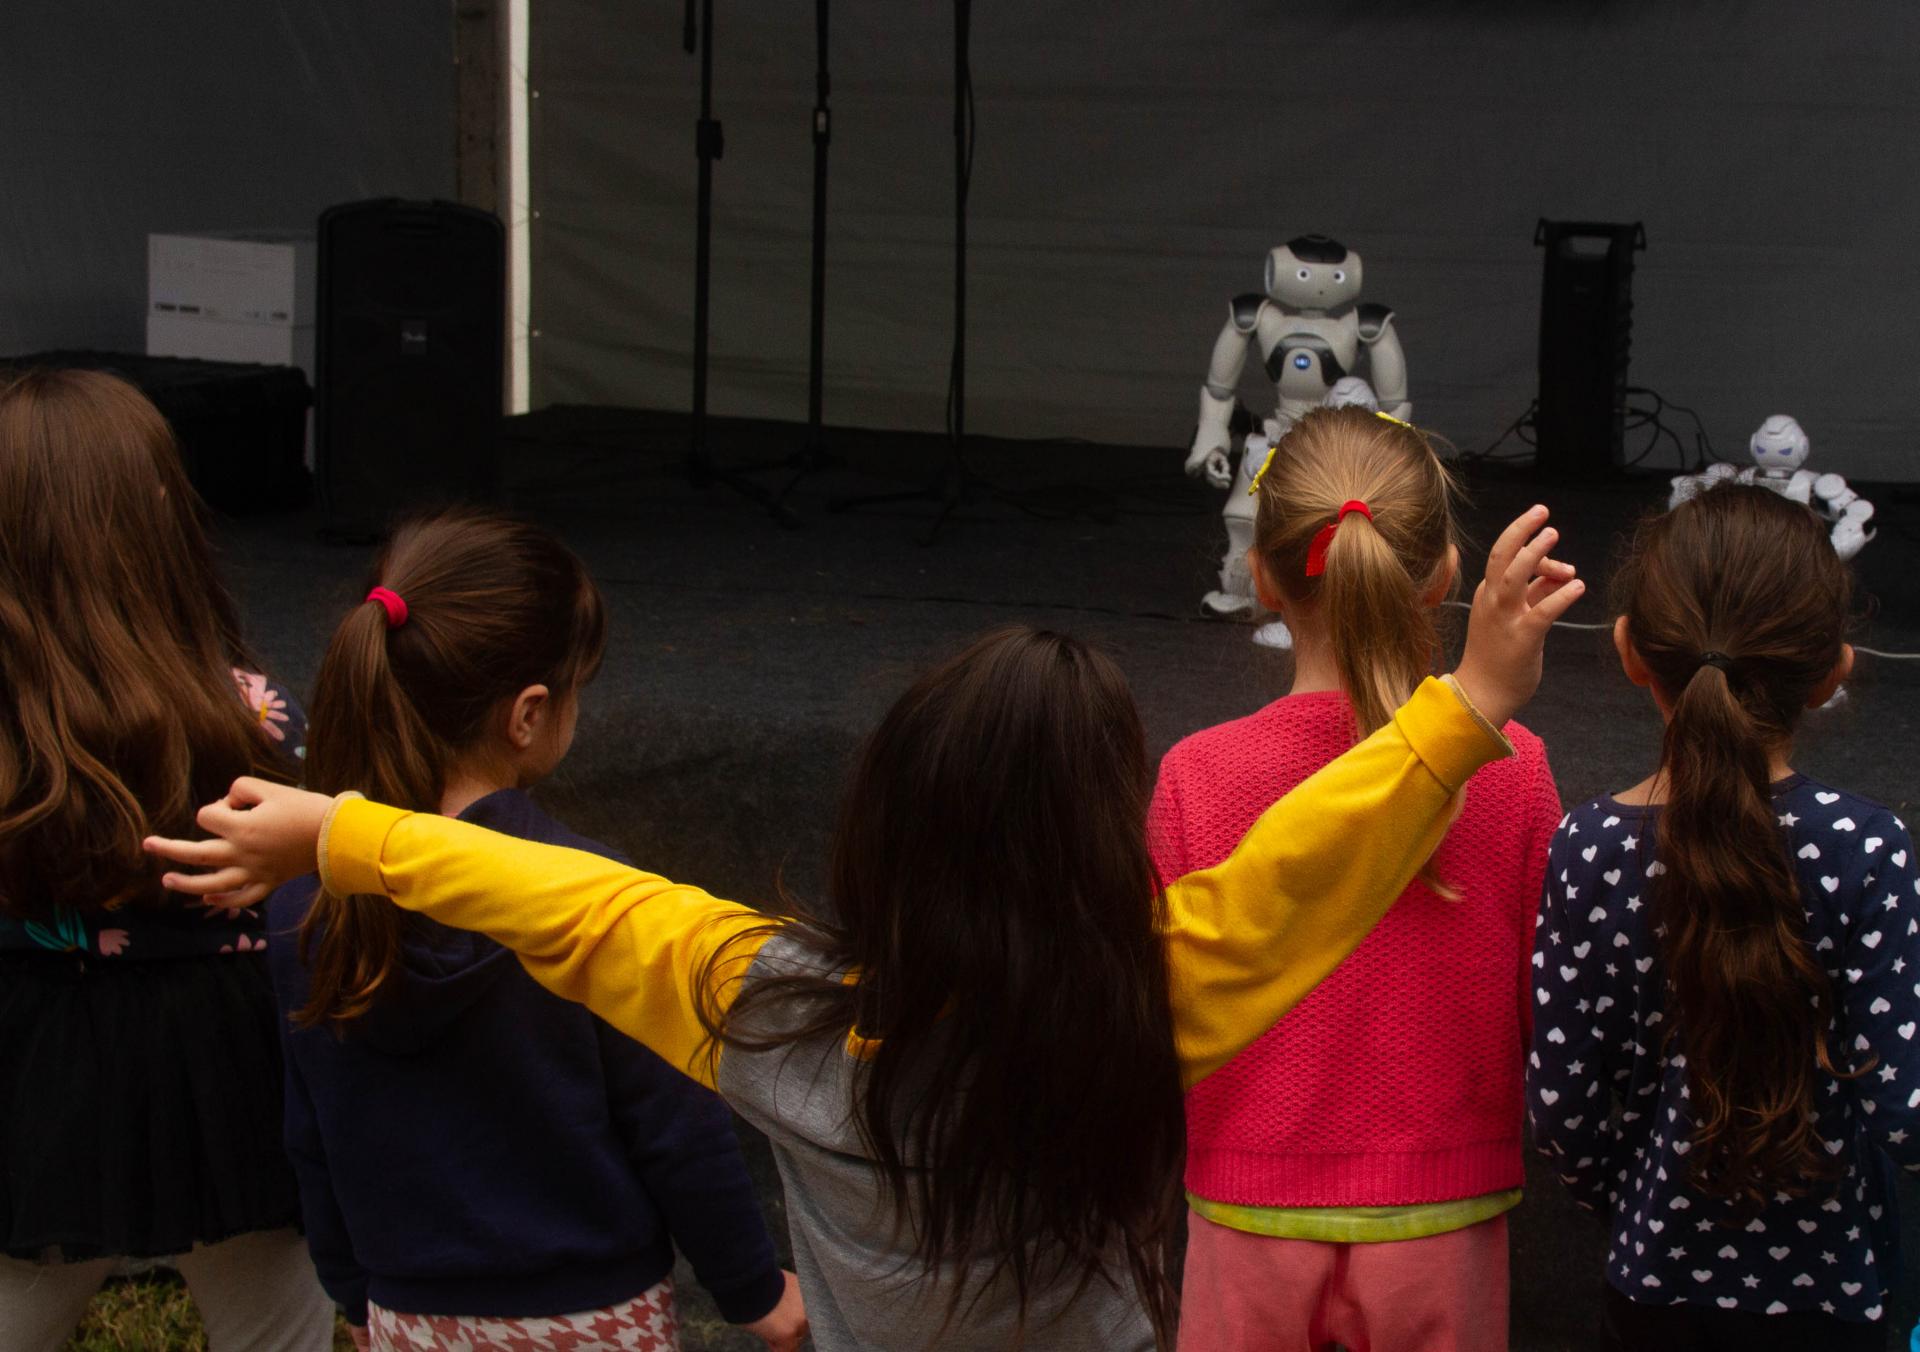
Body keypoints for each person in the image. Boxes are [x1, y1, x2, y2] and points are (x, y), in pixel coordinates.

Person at [147, 506, 1582, 1351]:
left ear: (880, 820)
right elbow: (1310, 870)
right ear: (1106, 837)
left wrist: (341, 834)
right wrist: (1463, 711)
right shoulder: (1157, 998)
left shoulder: (780, 1010)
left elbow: (577, 908)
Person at [265, 510, 805, 1352]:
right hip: (596, 1314)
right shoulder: (582, 893)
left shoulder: (305, 897)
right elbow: (673, 1122)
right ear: (528, 714)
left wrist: (353, 1292)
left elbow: (312, 1133)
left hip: (410, 1315)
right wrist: (752, 1286)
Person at [1150, 407, 1561, 1352]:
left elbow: (1165, 1001)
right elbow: (1543, 1002)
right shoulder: (1513, 764)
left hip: (1245, 1211)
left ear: (1259, 578)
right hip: (1445, 1211)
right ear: (1445, 574)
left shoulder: (1196, 775)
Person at [1527, 483, 1920, 1350]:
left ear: (1631, 651)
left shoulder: (1589, 845)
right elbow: (1905, 1106)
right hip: (1837, 1293)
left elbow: (1561, 1109)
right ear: (1833, 671)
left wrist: (1632, 1194)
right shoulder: (1867, 845)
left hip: (1653, 1282)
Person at [0, 368, 333, 1351]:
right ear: (159, 520)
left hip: (30, 1062)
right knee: (276, 1326)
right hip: (226, 1066)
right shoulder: (252, 710)